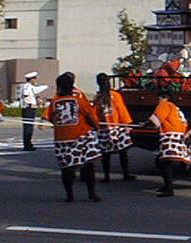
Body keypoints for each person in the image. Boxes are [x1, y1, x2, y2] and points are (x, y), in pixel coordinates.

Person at [41, 72, 102, 203]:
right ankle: (91, 193)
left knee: (66, 168)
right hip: (80, 136)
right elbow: (89, 116)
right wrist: (96, 127)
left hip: (62, 139)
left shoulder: (55, 102)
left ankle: (69, 195)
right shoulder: (79, 100)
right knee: (88, 165)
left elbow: (52, 118)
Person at [142, 86, 191, 197]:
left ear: (163, 97)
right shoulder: (174, 106)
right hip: (178, 135)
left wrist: (144, 124)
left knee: (164, 162)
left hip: (171, 136)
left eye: (159, 98)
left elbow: (156, 119)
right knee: (162, 162)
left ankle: (169, 188)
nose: (158, 100)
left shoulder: (164, 104)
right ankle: (167, 185)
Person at [92, 73, 137, 183]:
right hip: (117, 127)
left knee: (105, 154)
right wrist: (127, 124)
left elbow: (94, 113)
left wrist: (94, 125)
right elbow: (121, 110)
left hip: (103, 128)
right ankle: (126, 174)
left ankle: (106, 176)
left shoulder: (98, 97)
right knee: (123, 152)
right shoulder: (115, 95)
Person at [20, 71, 48, 151]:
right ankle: (27, 145)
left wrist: (45, 87)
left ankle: (28, 144)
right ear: (31, 79)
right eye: (34, 78)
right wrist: (29, 104)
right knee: (28, 127)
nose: (35, 80)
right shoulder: (27, 87)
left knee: (29, 127)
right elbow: (27, 96)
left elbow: (36, 90)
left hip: (30, 108)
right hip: (29, 108)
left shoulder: (30, 86)